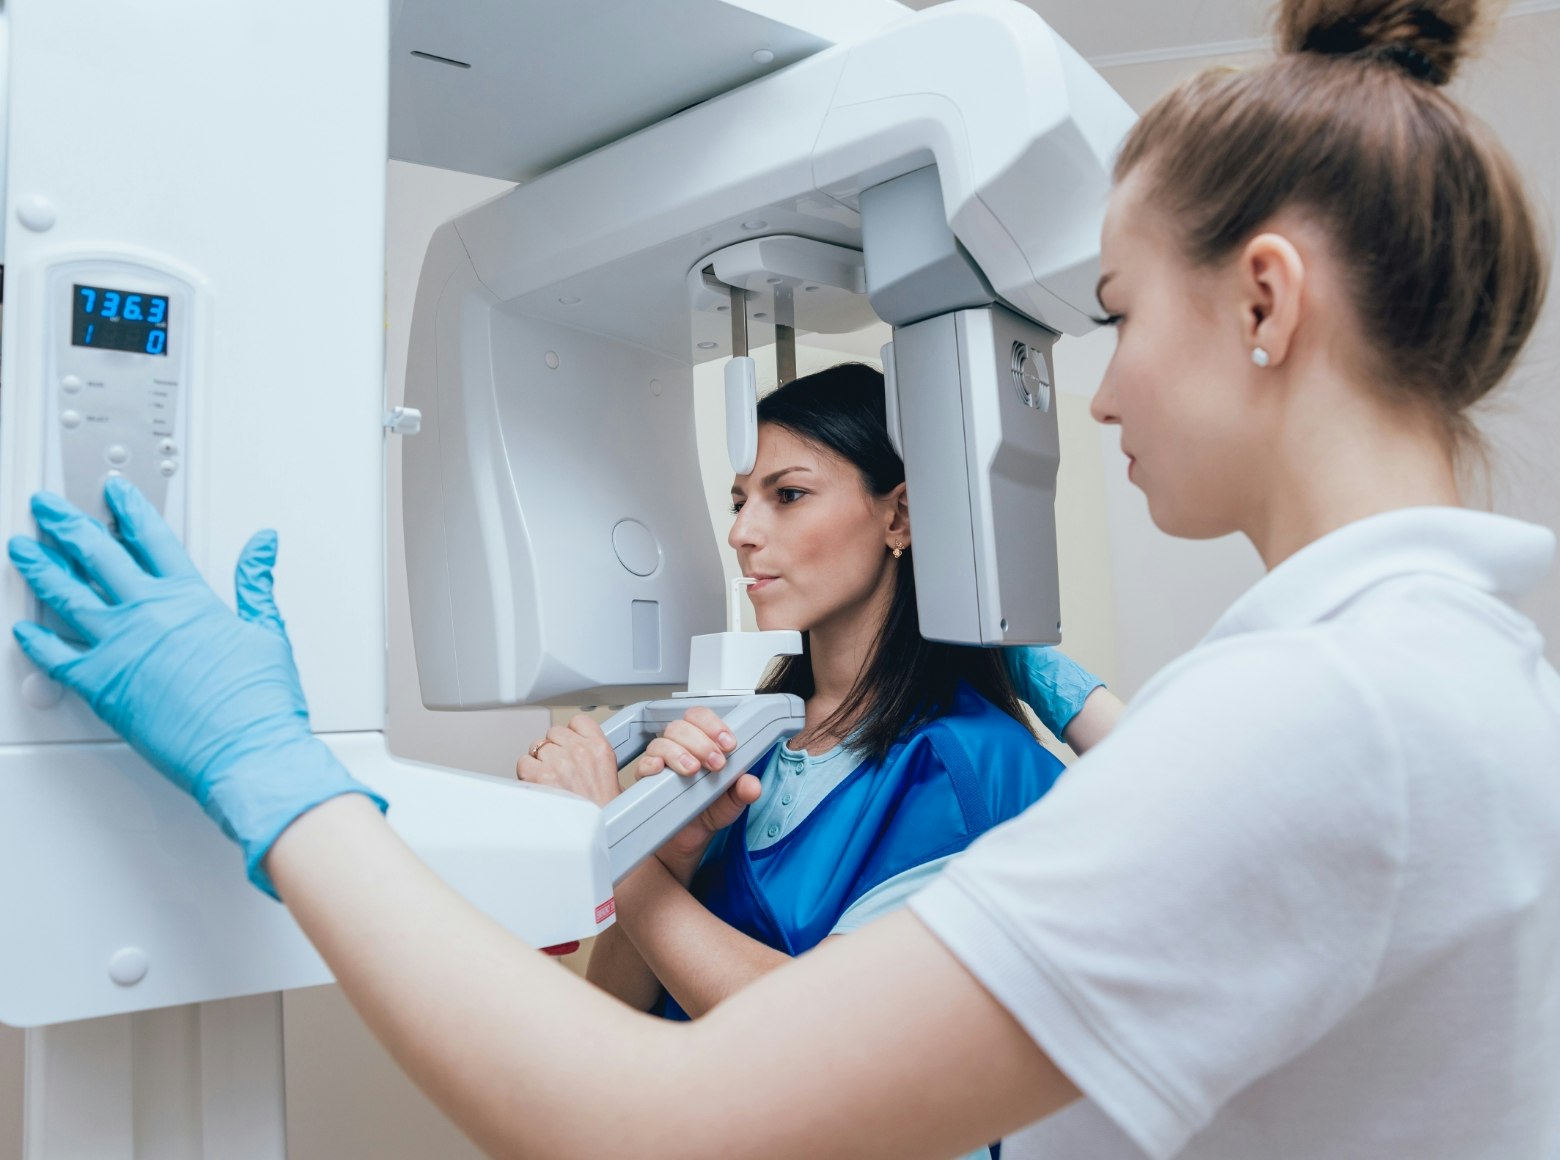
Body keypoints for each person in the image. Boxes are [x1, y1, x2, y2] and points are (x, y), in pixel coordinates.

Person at [8, 0, 1558, 1155]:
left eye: (1118, 314)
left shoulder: (1324, 710)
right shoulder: (1439, 679)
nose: (1095, 396)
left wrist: (277, 778)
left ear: (1266, 302)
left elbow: (660, 1117)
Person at [512, 366, 1104, 1052]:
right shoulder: (742, 739)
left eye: (788, 494)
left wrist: (616, 850)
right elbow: (619, 1014)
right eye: (739, 501)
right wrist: (669, 854)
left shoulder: (965, 765)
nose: (741, 531)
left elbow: (818, 1038)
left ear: (900, 517)